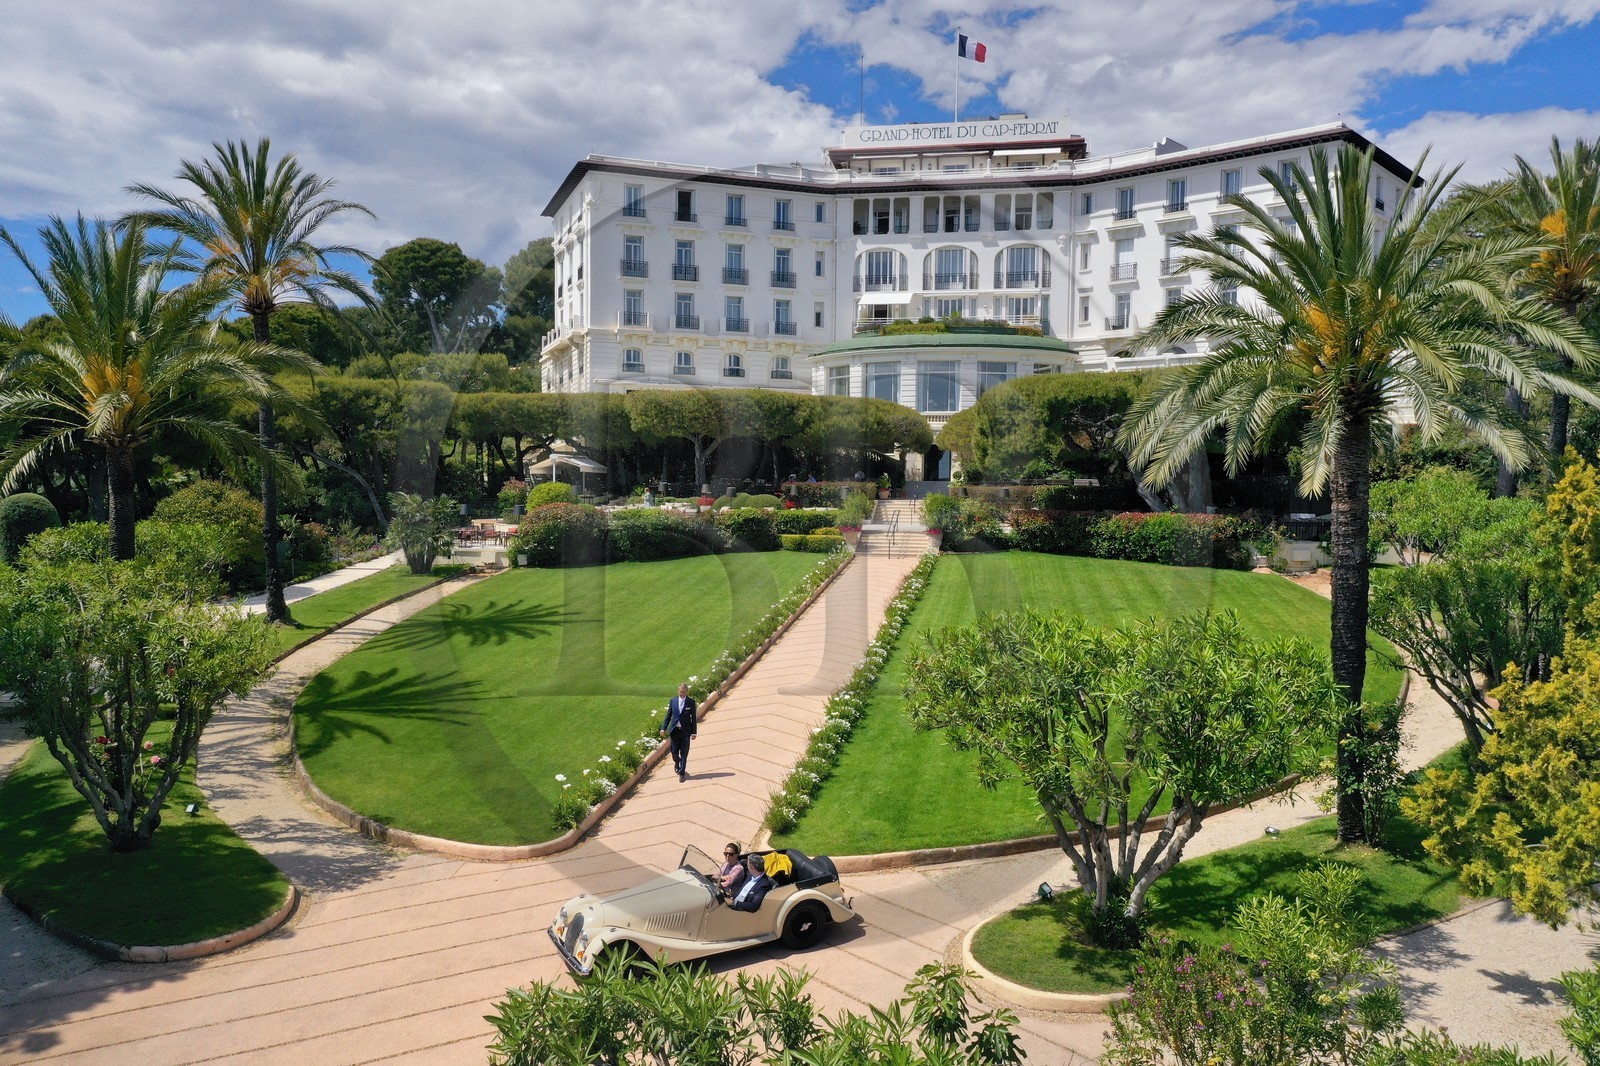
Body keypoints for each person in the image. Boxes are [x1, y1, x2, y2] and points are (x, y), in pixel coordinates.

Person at [659, 682, 698, 782]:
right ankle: (677, 761)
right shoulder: (673, 701)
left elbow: (693, 718)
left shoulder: (691, 702)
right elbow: (668, 716)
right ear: (678, 691)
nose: (682, 694)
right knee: (674, 752)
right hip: (675, 731)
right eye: (681, 692)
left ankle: (682, 772)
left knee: (684, 753)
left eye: (684, 692)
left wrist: (694, 732)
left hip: (685, 732)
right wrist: (663, 728)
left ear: (687, 692)